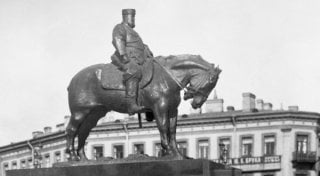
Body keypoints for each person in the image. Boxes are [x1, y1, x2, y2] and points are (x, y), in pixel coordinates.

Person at [111, 9, 153, 114]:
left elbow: (137, 45)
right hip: (125, 59)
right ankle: (131, 105)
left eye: (134, 17)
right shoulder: (120, 28)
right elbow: (118, 40)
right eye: (132, 17)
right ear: (126, 17)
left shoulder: (133, 32)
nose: (133, 19)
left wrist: (145, 48)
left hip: (138, 59)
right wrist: (124, 56)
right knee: (133, 71)